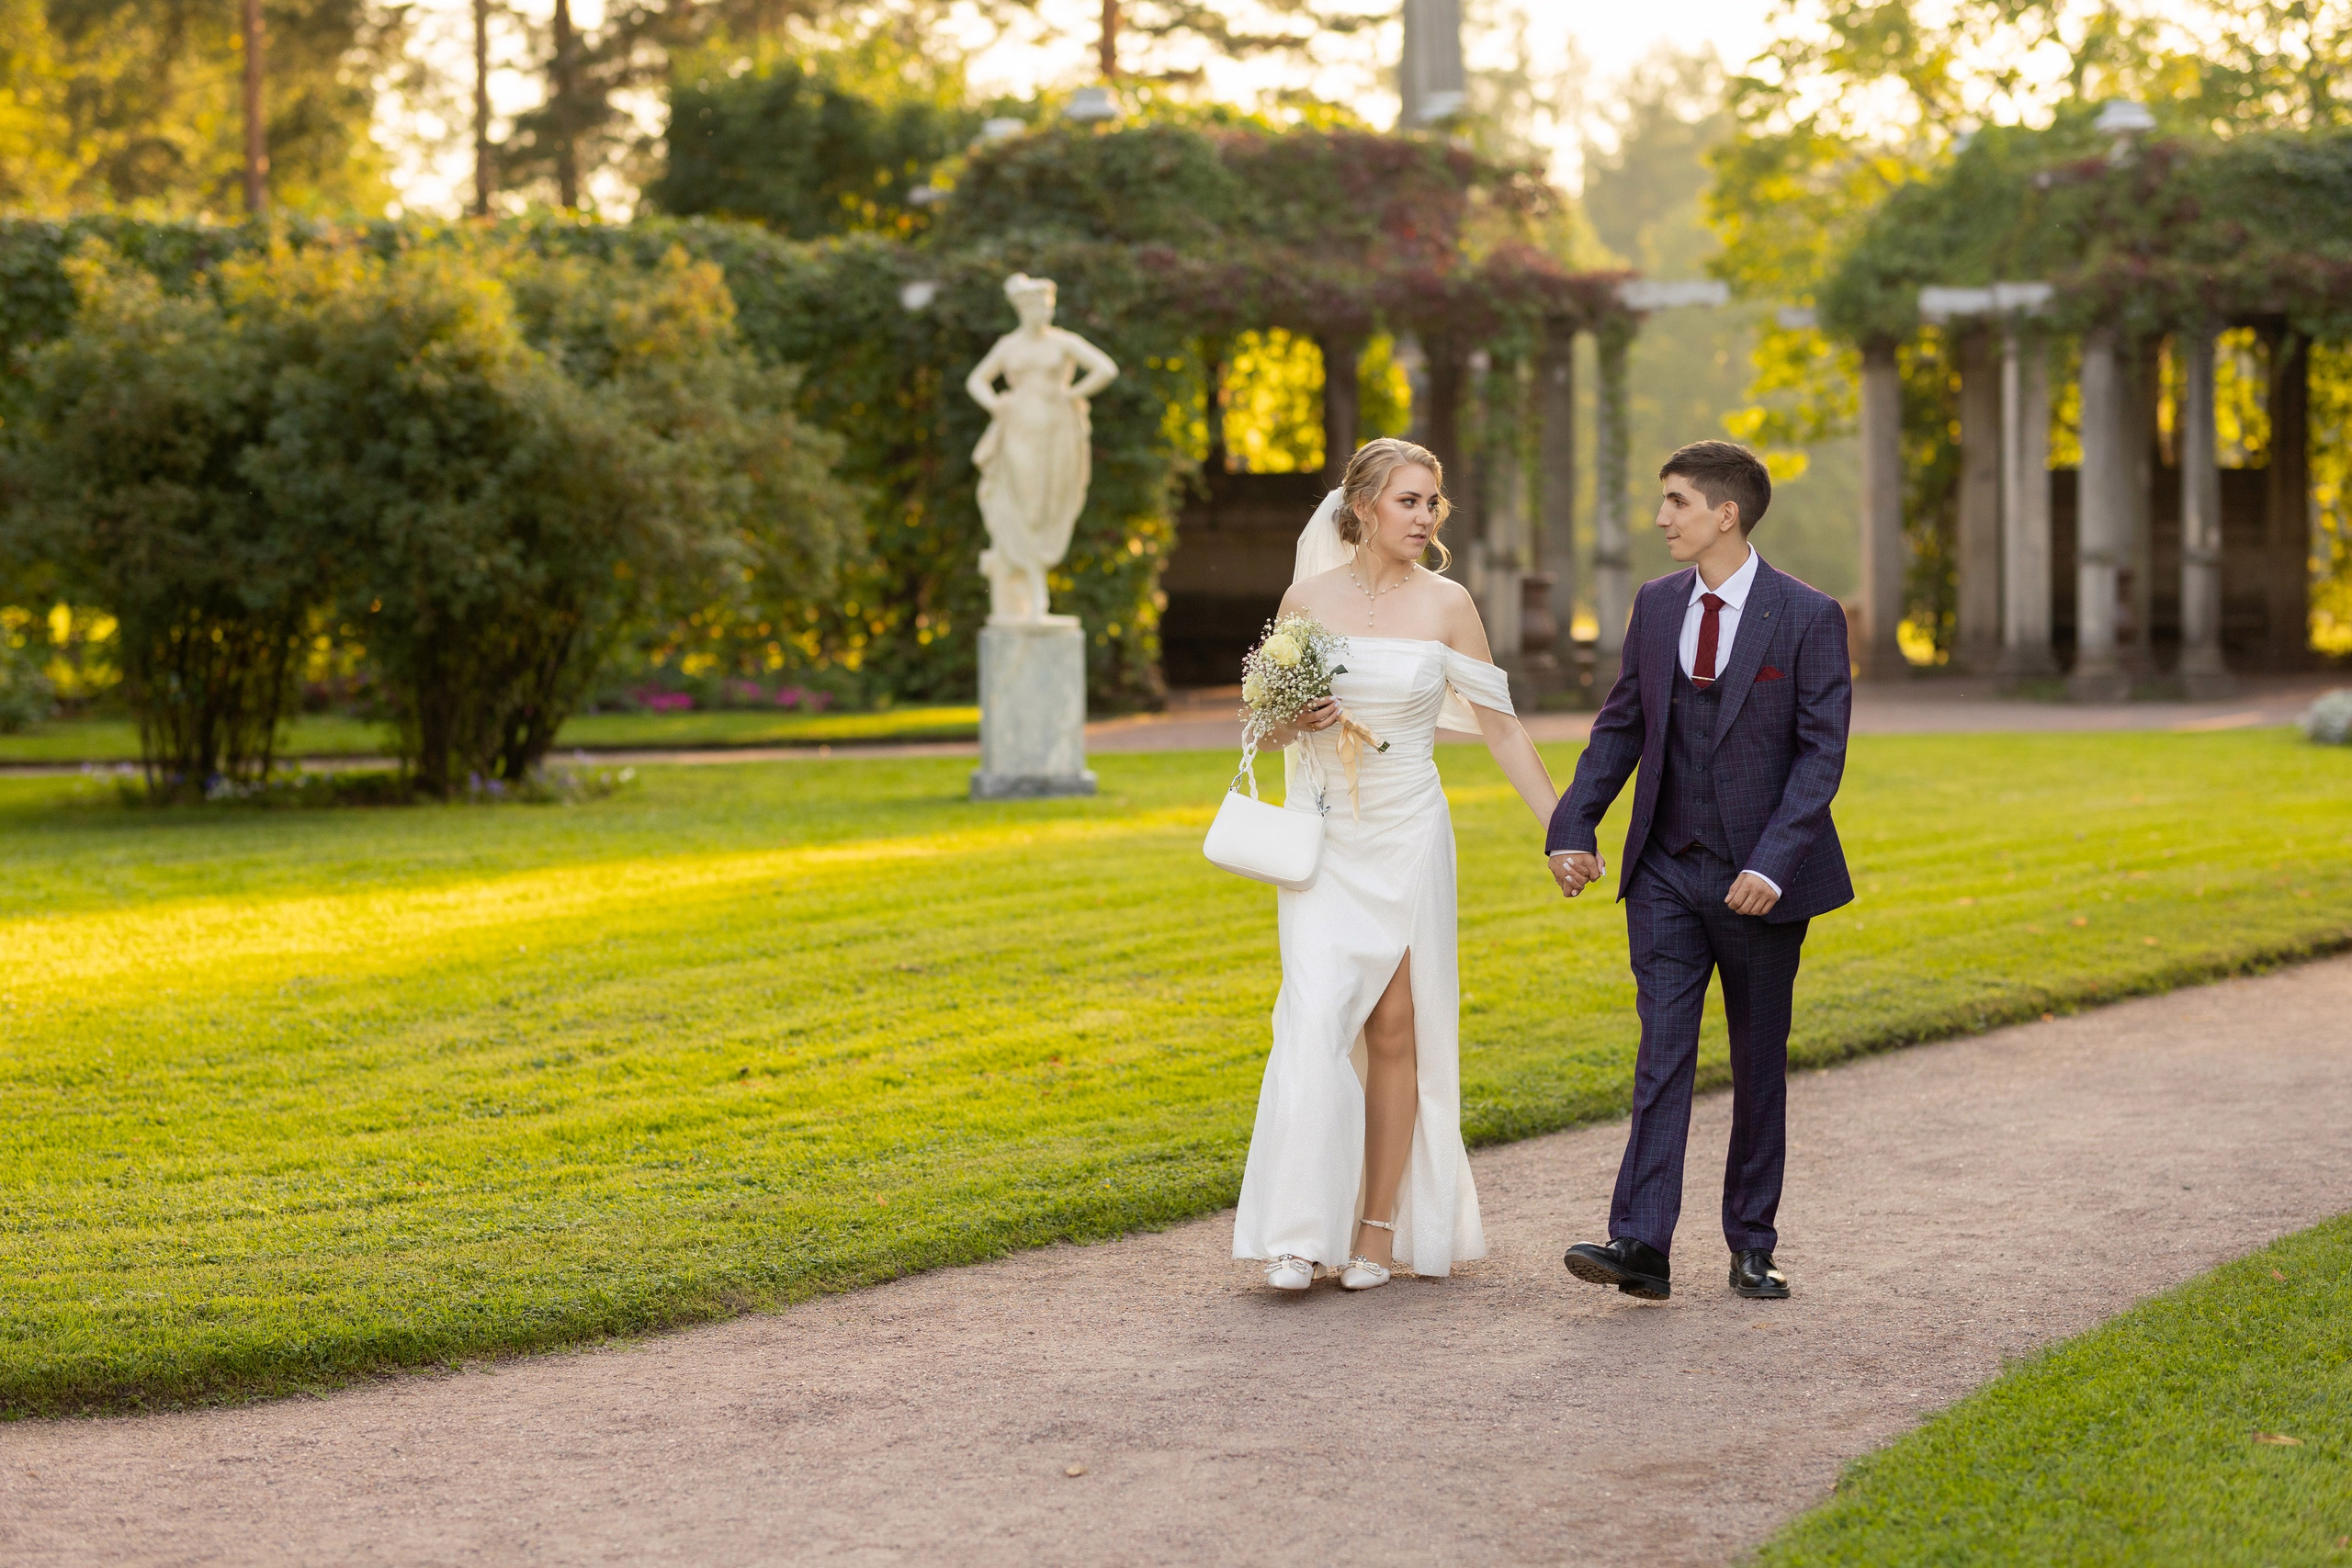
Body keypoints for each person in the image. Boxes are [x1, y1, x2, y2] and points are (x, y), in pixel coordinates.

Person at [1232, 438, 1561, 1292]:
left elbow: (1501, 727)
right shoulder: (1304, 598)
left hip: (1407, 827)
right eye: (1410, 501)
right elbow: (1257, 729)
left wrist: (1563, 828)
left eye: (1432, 503)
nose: (1425, 517)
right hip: (1324, 832)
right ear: (1364, 506)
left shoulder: (1450, 604)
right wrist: (1295, 719)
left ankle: (1376, 1228)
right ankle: (1298, 1234)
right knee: (1310, 1020)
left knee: (1393, 1029)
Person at [1547, 439, 1853, 1303]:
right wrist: (1573, 825)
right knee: (1662, 1055)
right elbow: (1620, 727)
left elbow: (1820, 756)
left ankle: (1752, 1241)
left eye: (1676, 502)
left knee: (1758, 1063)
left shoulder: (1807, 615)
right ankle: (1640, 1244)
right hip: (1666, 873)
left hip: (1762, 881)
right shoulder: (1655, 604)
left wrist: (1772, 862)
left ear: (1725, 513)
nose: (1661, 518)